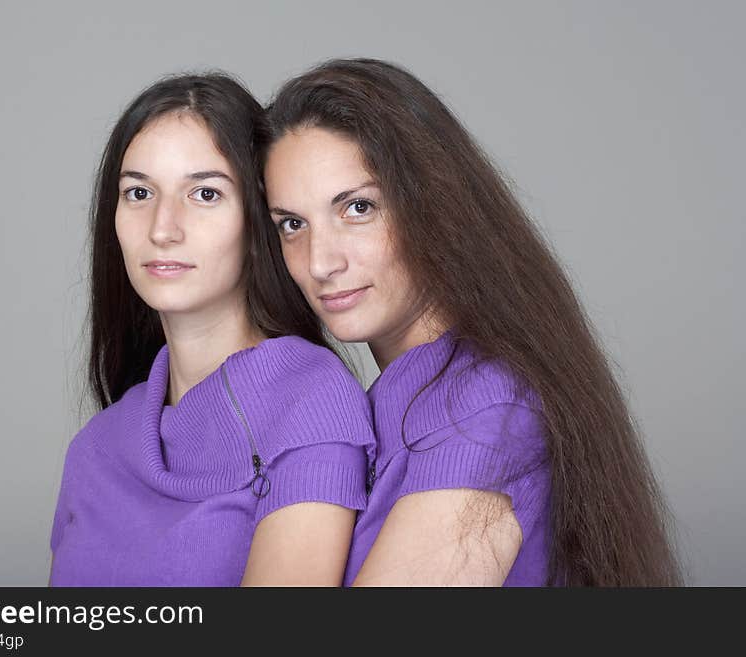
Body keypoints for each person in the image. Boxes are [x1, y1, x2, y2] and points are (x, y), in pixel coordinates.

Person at [262, 58, 683, 586]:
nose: (321, 261)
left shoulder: (480, 409)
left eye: (358, 208)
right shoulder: (385, 405)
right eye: (292, 224)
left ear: (432, 205)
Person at [48, 73, 375, 586]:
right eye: (138, 192)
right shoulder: (96, 447)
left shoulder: (310, 401)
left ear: (258, 219)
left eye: (204, 193)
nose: (162, 228)